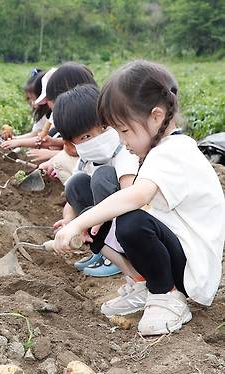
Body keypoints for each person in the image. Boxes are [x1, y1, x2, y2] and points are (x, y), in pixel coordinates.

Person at [54, 60, 225, 336]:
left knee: (129, 220)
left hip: (192, 268)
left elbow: (137, 196)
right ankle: (144, 283)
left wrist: (80, 222)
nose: (122, 141)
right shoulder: (158, 151)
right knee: (97, 208)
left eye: (124, 131)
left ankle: (166, 294)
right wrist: (85, 220)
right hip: (175, 248)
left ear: (156, 117)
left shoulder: (175, 151)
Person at [53, 84, 139, 278]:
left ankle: (119, 253)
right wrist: (69, 220)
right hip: (104, 220)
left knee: (102, 178)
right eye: (86, 136)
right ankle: (101, 250)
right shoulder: (85, 161)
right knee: (76, 184)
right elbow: (70, 202)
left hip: (130, 219)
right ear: (70, 145)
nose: (99, 138)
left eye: (103, 128)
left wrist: (91, 220)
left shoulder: (125, 151)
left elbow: (130, 195)